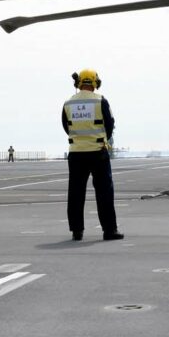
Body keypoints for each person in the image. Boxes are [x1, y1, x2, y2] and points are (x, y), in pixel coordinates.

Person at [62, 68, 123, 242]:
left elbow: (66, 127)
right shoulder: (100, 101)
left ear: (79, 83)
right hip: (98, 153)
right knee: (104, 192)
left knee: (75, 193)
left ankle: (77, 231)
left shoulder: (68, 104)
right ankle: (109, 230)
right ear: (95, 82)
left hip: (76, 154)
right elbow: (110, 125)